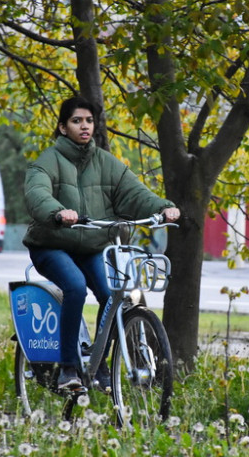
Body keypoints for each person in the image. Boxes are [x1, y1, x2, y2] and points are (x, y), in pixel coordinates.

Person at [22, 95, 181, 390]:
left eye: (89, 121)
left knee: (112, 296)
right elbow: (37, 192)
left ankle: (97, 364)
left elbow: (135, 193)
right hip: (52, 244)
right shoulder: (48, 161)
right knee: (75, 286)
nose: (84, 126)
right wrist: (57, 212)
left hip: (92, 247)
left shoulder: (107, 163)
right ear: (62, 127)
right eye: (76, 121)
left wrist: (161, 207)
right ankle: (69, 367)